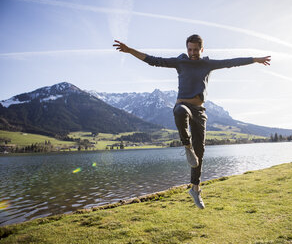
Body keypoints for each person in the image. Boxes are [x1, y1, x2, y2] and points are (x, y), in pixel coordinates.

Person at [113, 35, 271, 209]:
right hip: (183, 105)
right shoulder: (180, 63)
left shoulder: (207, 64)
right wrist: (129, 50)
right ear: (186, 48)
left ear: (201, 49)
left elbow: (231, 62)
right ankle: (187, 147)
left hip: (200, 111)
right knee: (180, 111)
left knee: (200, 152)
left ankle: (195, 189)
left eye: (196, 49)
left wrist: (255, 59)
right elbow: (153, 60)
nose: (192, 53)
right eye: (190, 49)